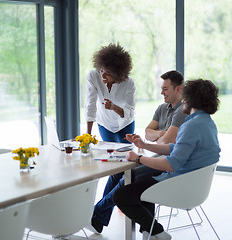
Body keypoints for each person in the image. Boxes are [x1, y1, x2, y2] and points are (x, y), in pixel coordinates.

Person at [113, 79, 221, 240]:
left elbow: (170, 164)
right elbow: (175, 148)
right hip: (193, 183)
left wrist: (140, 158)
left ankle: (157, 232)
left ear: (191, 99)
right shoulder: (206, 122)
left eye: (185, 96)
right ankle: (148, 233)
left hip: (180, 184)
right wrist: (144, 144)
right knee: (138, 177)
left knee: (121, 196)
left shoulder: (191, 126)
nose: (183, 100)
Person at [86, 70, 187, 234]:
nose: (161, 92)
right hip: (156, 157)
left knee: (130, 176)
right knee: (118, 174)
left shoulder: (182, 110)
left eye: (165, 89)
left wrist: (160, 136)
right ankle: (100, 219)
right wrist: (163, 133)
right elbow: (148, 133)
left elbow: (165, 143)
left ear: (178, 89)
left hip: (168, 165)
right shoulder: (162, 108)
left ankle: (98, 214)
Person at [85, 42, 135, 143]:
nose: (103, 76)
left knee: (126, 152)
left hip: (126, 123)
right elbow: (90, 104)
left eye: (108, 73)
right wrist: (87, 135)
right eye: (101, 70)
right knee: (111, 153)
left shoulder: (128, 83)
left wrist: (114, 107)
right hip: (105, 124)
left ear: (118, 74)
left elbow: (129, 111)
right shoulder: (93, 76)